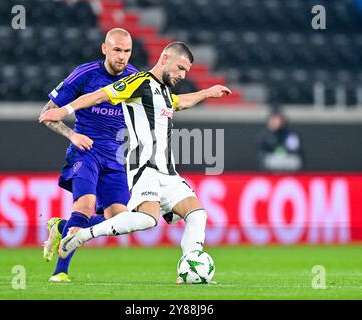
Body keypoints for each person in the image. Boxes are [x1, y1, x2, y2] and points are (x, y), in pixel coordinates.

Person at [39, 41, 232, 284]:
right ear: (164, 59)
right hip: (144, 167)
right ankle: (80, 236)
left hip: (167, 172)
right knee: (147, 219)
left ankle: (190, 269)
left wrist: (206, 93)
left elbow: (179, 102)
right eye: (180, 68)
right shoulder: (138, 82)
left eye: (186, 72)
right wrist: (64, 111)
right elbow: (101, 94)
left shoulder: (162, 91)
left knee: (197, 215)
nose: (182, 75)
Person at [39, 28, 139, 283]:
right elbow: (46, 113)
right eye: (117, 50)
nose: (122, 57)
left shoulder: (135, 79)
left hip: (115, 159)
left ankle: (62, 227)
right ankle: (60, 272)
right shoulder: (84, 75)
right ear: (104, 49)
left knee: (118, 220)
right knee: (83, 206)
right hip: (86, 151)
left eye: (127, 51)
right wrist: (72, 135)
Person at [258, 106, 303, 172]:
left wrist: (283, 153)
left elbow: (294, 151)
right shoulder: (265, 134)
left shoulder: (290, 134)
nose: (274, 122)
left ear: (282, 120)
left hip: (287, 159)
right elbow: (262, 152)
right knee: (269, 161)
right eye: (272, 119)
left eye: (276, 119)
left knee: (294, 161)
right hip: (272, 160)